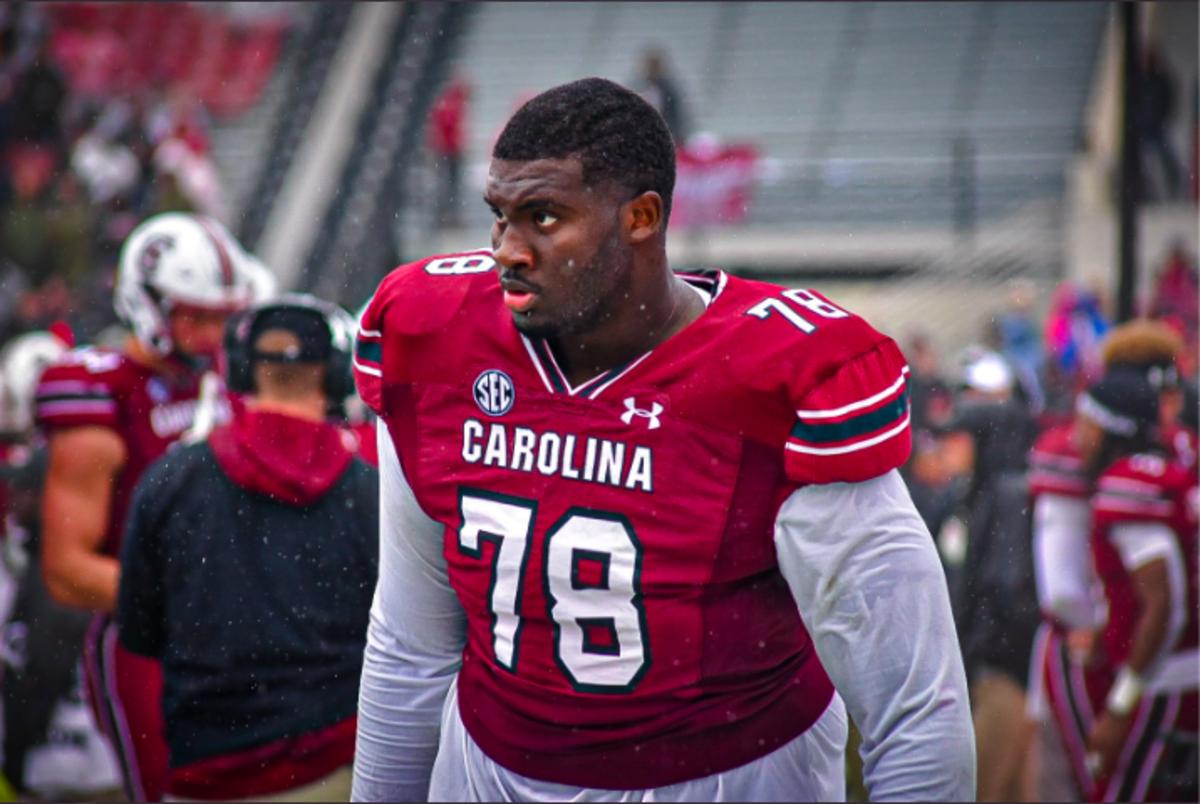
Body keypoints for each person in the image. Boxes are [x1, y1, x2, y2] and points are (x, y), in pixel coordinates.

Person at [351, 77, 973, 801]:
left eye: (543, 218)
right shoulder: (438, 341)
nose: (506, 251)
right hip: (487, 773)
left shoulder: (775, 380)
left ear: (641, 217)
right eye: (499, 216)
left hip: (729, 779)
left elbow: (913, 707)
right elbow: (410, 643)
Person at [34, 211, 268, 802]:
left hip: (236, 633)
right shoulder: (102, 395)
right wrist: (195, 599)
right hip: (150, 644)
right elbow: (66, 569)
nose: (213, 334)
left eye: (221, 315)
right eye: (195, 315)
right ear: (149, 302)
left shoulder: (228, 375)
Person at [117, 294, 378, 801]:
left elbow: (140, 631)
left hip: (206, 770)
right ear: (339, 374)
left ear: (238, 370)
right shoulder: (370, 493)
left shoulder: (169, 481)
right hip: (334, 768)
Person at [1073, 369, 1197, 802]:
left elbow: (1166, 604)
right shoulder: (1166, 472)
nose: (1077, 439)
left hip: (1165, 683)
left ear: (1111, 429)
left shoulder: (1129, 485)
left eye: (1085, 424)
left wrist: (1124, 702)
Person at [428, 74, 471, 230]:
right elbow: (448, 128)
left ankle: (448, 217)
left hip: (449, 151)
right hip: (449, 151)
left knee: (449, 187)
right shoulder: (451, 105)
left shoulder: (449, 104)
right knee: (448, 187)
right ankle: (446, 217)